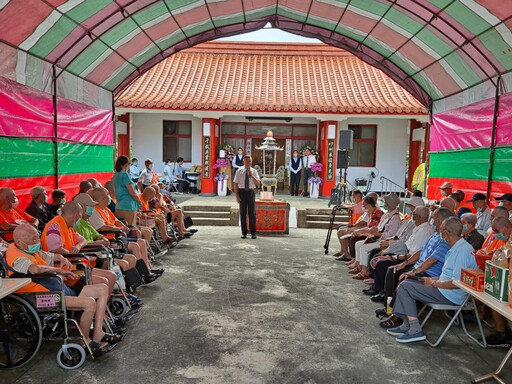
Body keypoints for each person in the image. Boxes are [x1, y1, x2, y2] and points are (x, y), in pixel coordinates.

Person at [5, 224, 115, 355]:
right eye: (34, 239)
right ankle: (85, 341)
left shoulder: (28, 249)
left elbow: (49, 256)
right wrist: (59, 270)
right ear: (19, 242)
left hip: (53, 289)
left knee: (102, 288)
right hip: (39, 296)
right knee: (90, 303)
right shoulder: (15, 256)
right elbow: (34, 269)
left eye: (37, 237)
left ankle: (98, 333)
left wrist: (61, 258)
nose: (38, 241)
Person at [387, 216, 477, 343]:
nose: (439, 233)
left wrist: (433, 283)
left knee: (405, 286)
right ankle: (406, 325)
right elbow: (448, 275)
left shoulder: (462, 251)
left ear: (446, 232)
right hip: (443, 288)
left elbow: (457, 283)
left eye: (441, 230)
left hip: (451, 295)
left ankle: (415, 330)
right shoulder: (455, 247)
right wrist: (430, 279)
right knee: (407, 281)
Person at [366, 206, 434, 302]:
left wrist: (397, 257)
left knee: (383, 264)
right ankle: (379, 288)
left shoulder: (424, 231)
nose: (412, 216)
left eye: (413, 214)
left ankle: (383, 293)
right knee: (380, 256)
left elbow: (415, 254)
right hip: (405, 254)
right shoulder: (419, 228)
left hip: (411, 260)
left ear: (418, 217)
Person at [351, 193, 402, 280]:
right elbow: (380, 228)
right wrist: (375, 229)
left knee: (364, 248)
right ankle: (360, 266)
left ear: (388, 204)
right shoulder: (387, 215)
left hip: (384, 242)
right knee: (358, 244)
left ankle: (364, 272)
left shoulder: (395, 218)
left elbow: (389, 235)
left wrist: (375, 233)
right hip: (378, 238)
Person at [233, 155, 261, 239]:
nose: (248, 163)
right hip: (242, 192)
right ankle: (244, 232)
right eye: (246, 161)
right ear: (243, 162)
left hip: (251, 192)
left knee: (252, 213)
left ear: (251, 162)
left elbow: (258, 183)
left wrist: (252, 175)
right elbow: (236, 184)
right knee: (243, 213)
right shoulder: (239, 171)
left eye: (250, 161)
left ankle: (253, 232)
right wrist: (236, 196)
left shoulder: (254, 171)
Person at [113, 155, 142, 226]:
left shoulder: (116, 175)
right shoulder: (124, 175)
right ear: (127, 164)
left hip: (119, 206)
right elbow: (132, 193)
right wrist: (140, 202)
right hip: (128, 207)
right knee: (131, 231)